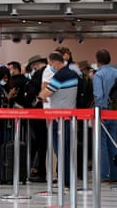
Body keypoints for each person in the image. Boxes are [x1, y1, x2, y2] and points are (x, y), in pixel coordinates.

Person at [38, 52, 78, 189]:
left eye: (50, 64)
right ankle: (67, 180)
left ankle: (65, 181)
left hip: (59, 118)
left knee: (60, 150)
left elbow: (44, 93)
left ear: (55, 62)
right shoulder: (72, 74)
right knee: (67, 150)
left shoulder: (60, 75)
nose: (50, 67)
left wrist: (42, 94)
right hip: (70, 116)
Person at [92, 49, 117, 183]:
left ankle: (104, 174)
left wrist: (98, 112)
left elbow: (98, 95)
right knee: (113, 142)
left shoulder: (98, 75)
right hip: (114, 111)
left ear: (98, 61)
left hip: (102, 111)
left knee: (101, 144)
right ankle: (115, 174)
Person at [24, 55, 49, 182]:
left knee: (41, 142)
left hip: (38, 112)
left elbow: (31, 94)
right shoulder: (52, 72)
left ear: (36, 65)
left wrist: (27, 101)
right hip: (52, 111)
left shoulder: (38, 74)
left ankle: (41, 171)